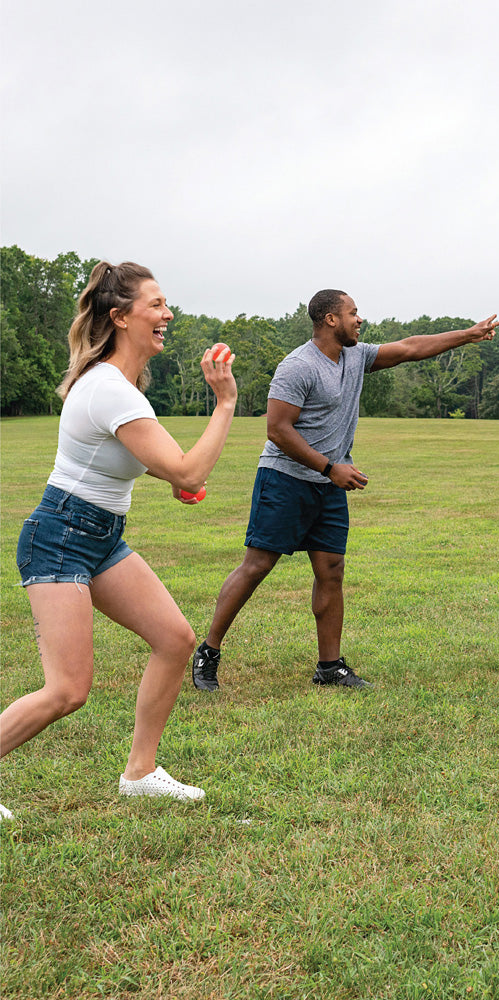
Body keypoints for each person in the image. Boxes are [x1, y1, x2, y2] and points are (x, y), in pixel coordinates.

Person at [0, 262, 238, 819]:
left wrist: (169, 475)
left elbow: (138, 457)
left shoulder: (119, 387)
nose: (168, 314)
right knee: (67, 691)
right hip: (60, 536)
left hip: (101, 537)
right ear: (121, 317)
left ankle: (140, 773)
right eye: (156, 305)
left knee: (175, 640)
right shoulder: (110, 388)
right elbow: (189, 469)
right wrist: (225, 402)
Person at [190, 289, 499, 691]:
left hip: (329, 483)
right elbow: (277, 429)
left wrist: (467, 335)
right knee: (258, 566)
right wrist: (329, 467)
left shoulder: (355, 356)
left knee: (331, 570)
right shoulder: (298, 366)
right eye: (353, 313)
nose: (360, 319)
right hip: (286, 479)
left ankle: (330, 667)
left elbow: (410, 348)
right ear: (330, 319)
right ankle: (208, 652)